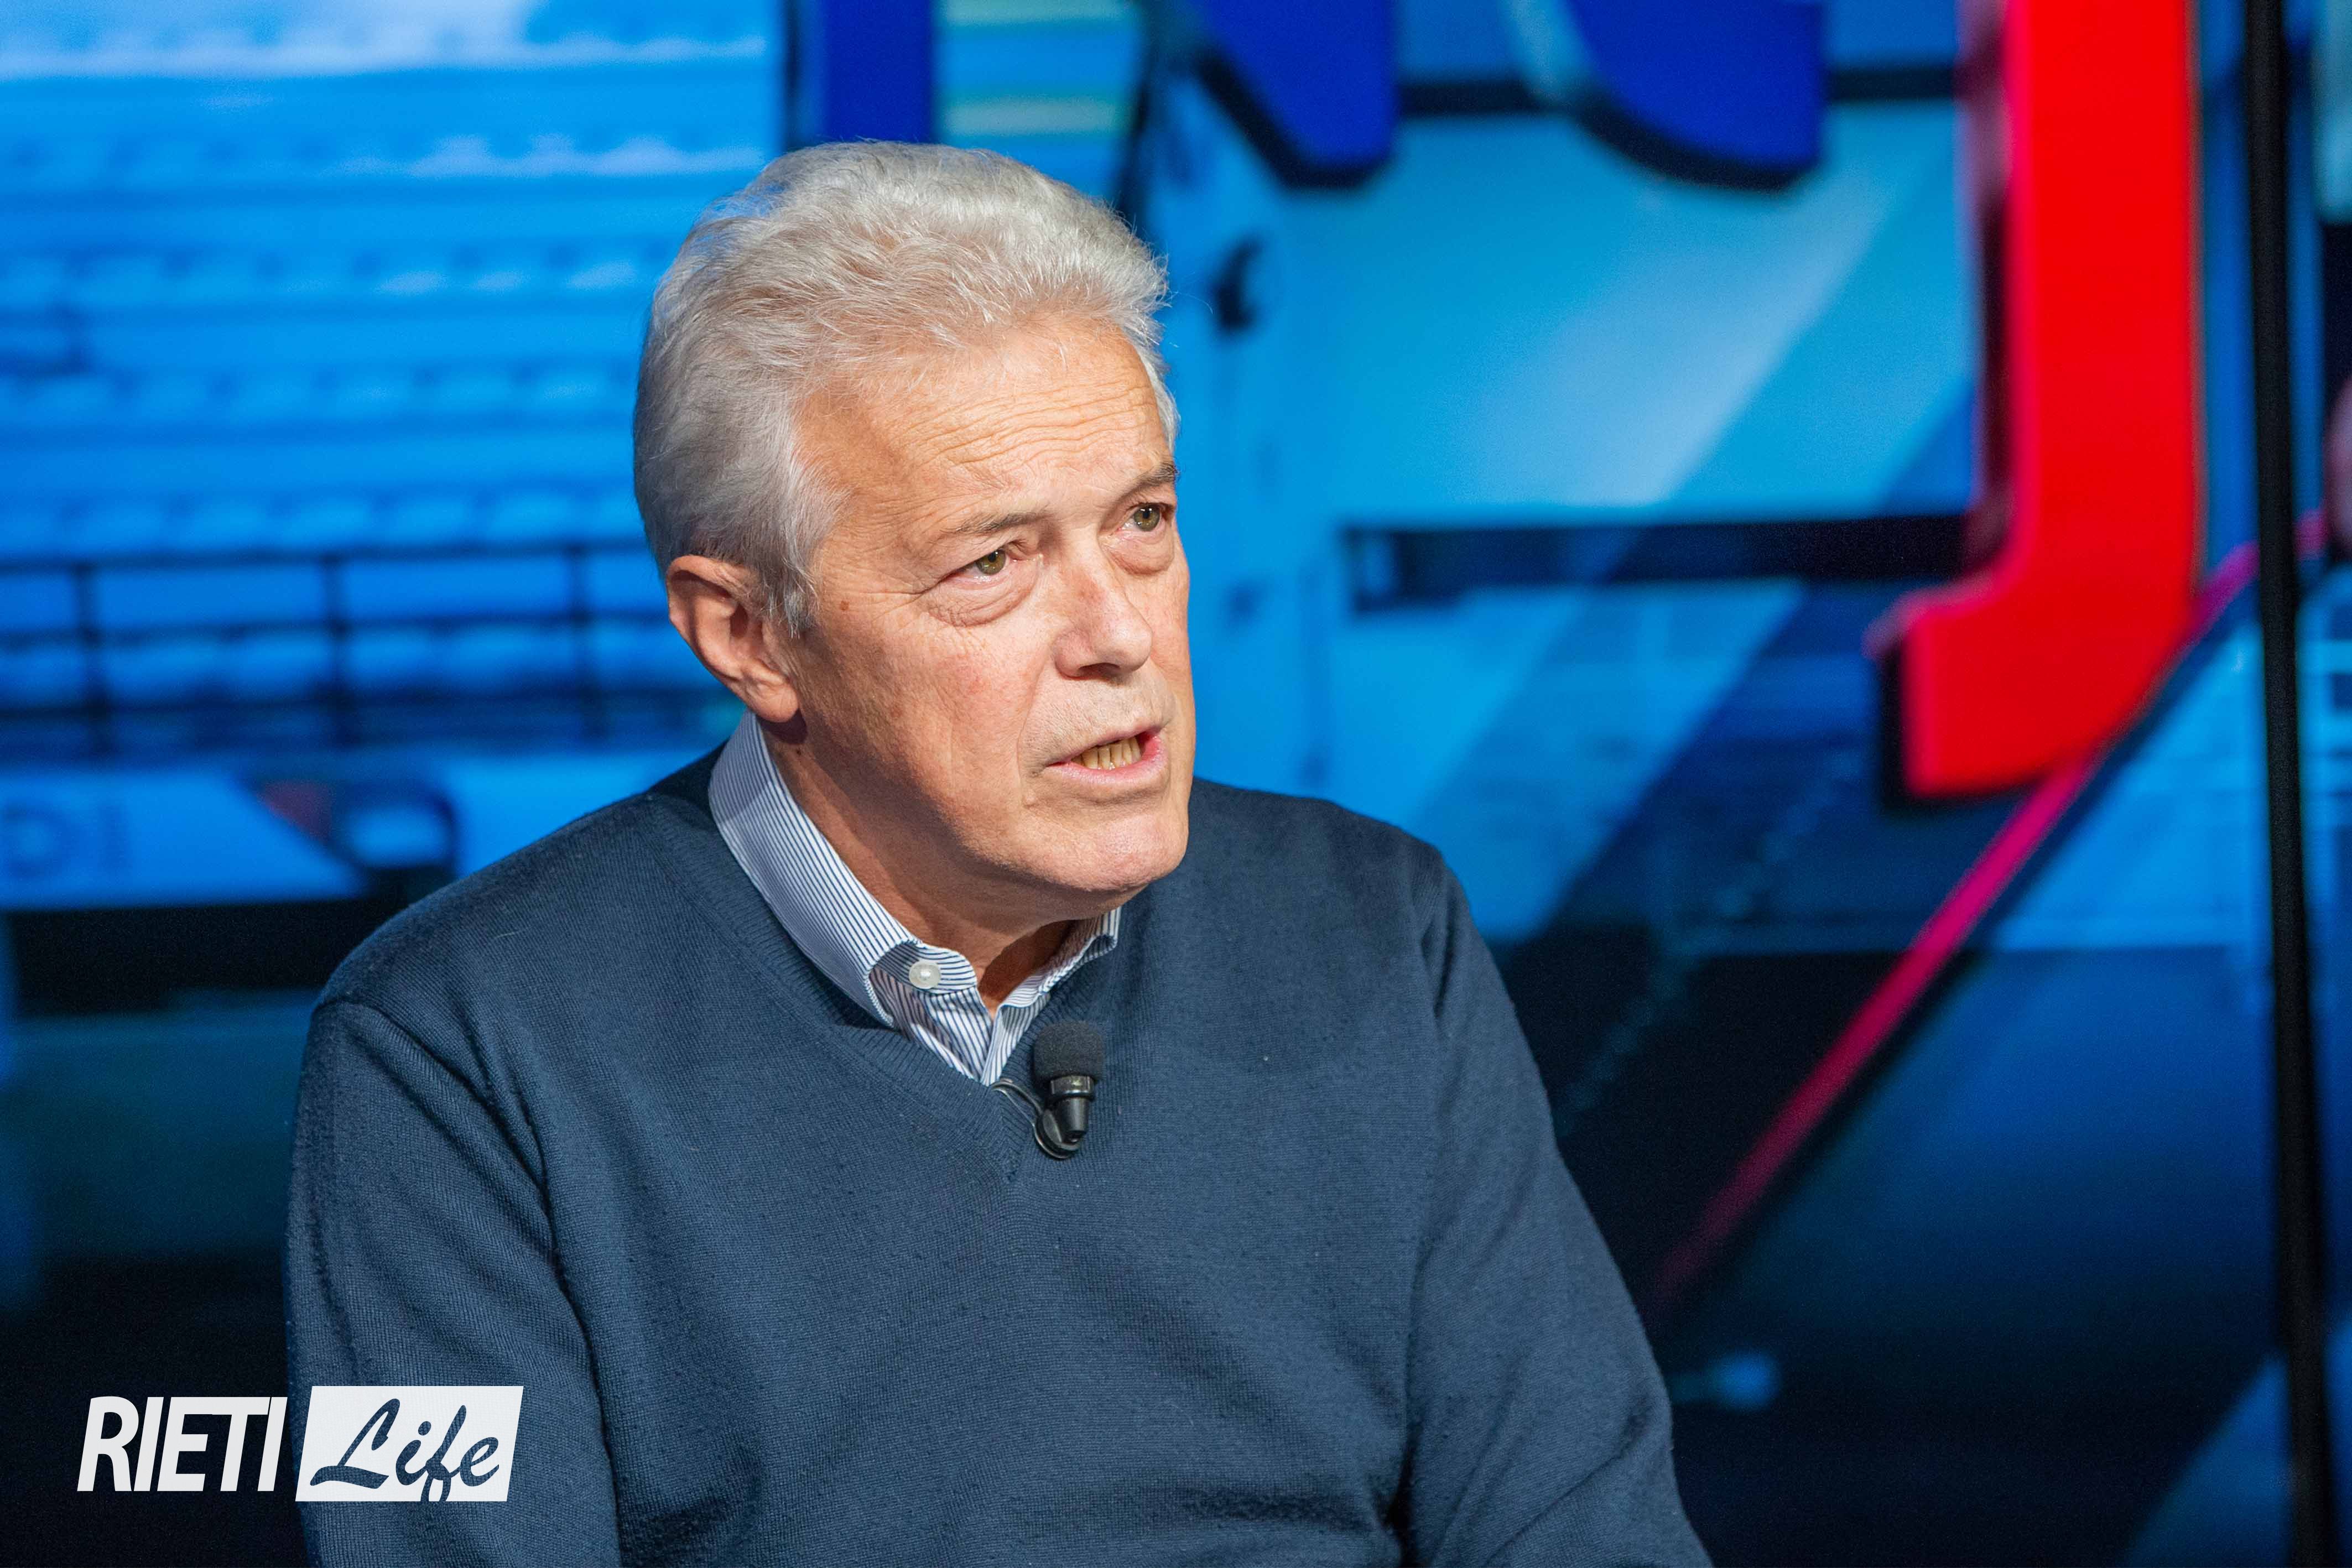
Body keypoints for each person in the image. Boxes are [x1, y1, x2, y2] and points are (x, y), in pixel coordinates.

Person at [283, 141, 1708, 1566]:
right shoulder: (443, 1045)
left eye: (1142, 522)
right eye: (994, 563)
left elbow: (1584, 1530)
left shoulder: (1377, 924)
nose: (1121, 635)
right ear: (750, 634)